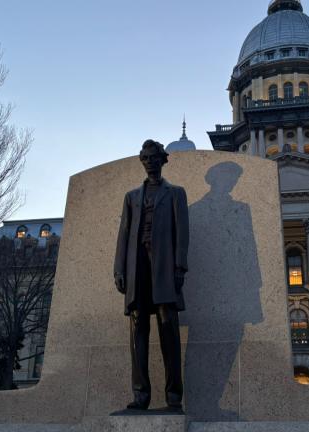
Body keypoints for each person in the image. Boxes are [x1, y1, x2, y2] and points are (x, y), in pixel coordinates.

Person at [113, 140, 189, 412]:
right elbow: (123, 234)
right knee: (138, 330)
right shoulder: (131, 197)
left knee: (168, 328)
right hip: (137, 267)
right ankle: (141, 396)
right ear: (141, 160)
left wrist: (180, 267)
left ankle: (173, 397)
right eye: (145, 158)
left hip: (165, 266)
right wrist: (119, 269)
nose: (149, 162)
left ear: (163, 160)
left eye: (154, 157)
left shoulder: (176, 193)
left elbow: (182, 234)